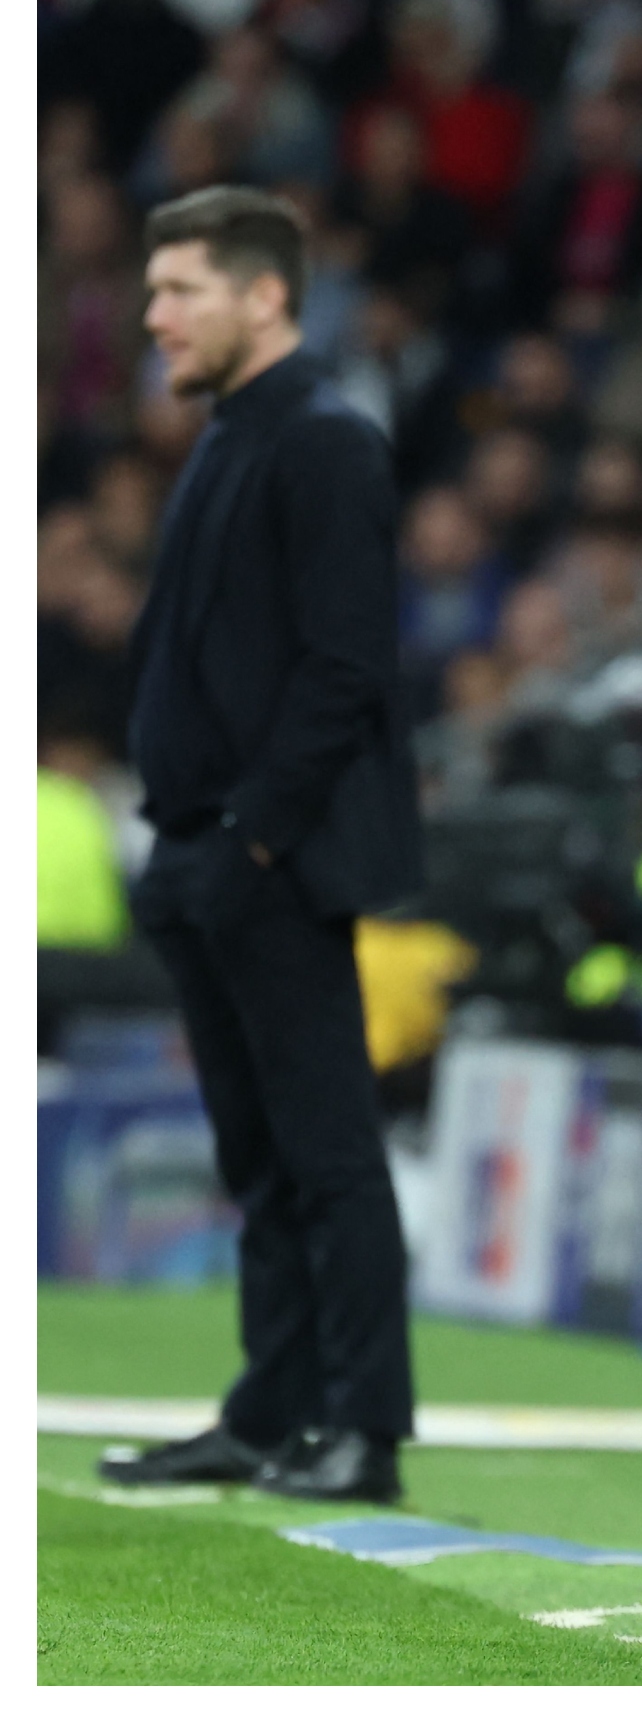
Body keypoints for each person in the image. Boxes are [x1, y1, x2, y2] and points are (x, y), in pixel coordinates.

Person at [98, 186, 425, 1504]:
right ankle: (273, 1409)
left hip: (264, 859)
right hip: (203, 853)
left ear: (265, 295)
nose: (155, 316)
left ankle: (365, 1429)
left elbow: (347, 669)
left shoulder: (326, 440)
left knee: (326, 1147)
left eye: (180, 290)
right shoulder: (234, 437)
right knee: (261, 1156)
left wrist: (253, 841)